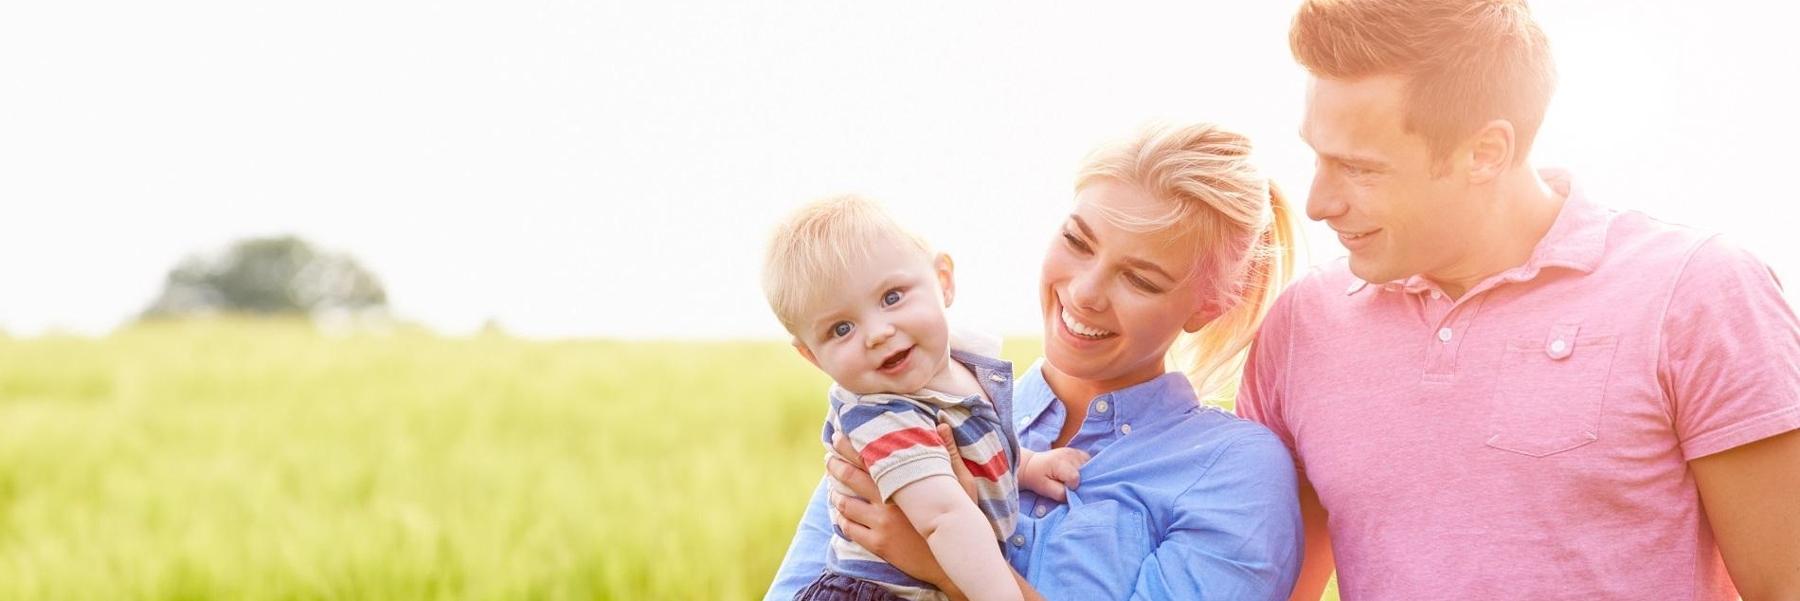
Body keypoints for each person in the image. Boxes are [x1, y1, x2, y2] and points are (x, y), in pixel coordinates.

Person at [1236, 1, 1800, 599]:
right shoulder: (1303, 324)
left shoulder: (1699, 292)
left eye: (1359, 168)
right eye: (1318, 155)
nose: (1319, 202)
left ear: (1486, 152)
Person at [767, 122, 1305, 600]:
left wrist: (944, 572)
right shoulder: (908, 404)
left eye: (1140, 279)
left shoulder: (1233, 472)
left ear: (1210, 304)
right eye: (1077, 241)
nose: (1086, 292)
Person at [759, 195, 1090, 601]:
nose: (877, 332)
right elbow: (945, 517)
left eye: (892, 297)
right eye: (842, 329)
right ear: (812, 355)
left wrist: (1029, 465)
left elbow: (977, 449)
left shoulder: (963, 369)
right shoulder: (884, 416)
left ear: (943, 281)